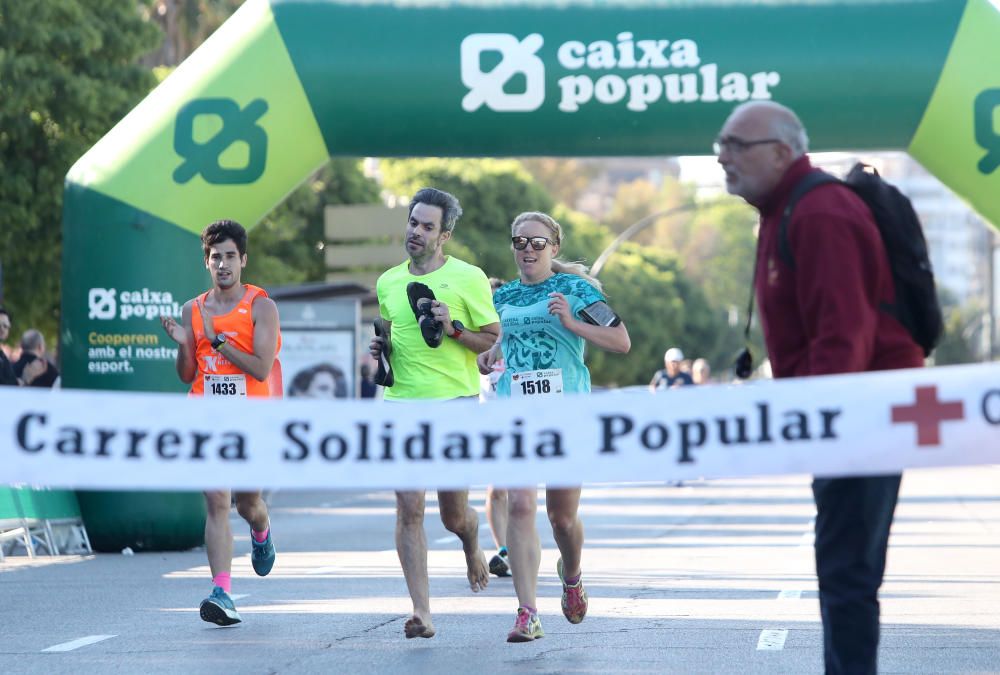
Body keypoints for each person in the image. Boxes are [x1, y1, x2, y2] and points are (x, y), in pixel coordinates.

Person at [716, 100, 923, 674]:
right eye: (720, 145)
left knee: (848, 575)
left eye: (737, 145)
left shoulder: (820, 212)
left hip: (861, 419)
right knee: (843, 572)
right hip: (844, 419)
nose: (723, 157)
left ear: (783, 152)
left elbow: (844, 339)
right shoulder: (780, 210)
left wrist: (816, 428)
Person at [478, 211, 630, 642]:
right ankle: (527, 612)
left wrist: (571, 323)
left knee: (561, 518)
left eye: (538, 243)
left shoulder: (575, 290)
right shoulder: (502, 296)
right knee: (520, 504)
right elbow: (499, 341)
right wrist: (490, 353)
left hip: (566, 417)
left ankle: (573, 575)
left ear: (554, 248)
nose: (528, 249)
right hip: (517, 415)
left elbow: (622, 342)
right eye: (520, 242)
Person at [368, 187, 501, 639]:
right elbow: (391, 335)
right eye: (412, 222)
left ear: (444, 234)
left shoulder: (469, 277)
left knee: (452, 515)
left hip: (455, 407)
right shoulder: (388, 282)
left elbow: (493, 340)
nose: (416, 232)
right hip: (402, 406)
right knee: (408, 507)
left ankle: (470, 538)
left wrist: (454, 328)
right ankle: (422, 611)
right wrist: (380, 350)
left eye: (427, 226)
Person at [160, 219, 281, 627]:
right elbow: (187, 373)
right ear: (206, 263)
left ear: (243, 260)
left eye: (230, 256)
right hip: (206, 419)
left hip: (252, 421)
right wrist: (185, 346)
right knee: (217, 501)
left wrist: (218, 341)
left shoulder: (261, 306)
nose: (223, 264)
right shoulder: (191, 310)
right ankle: (222, 592)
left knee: (248, 505)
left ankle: (262, 530)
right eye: (216, 258)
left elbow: (262, 369)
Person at [482, 277, 511, 578]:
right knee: (496, 489)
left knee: (518, 491)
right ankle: (504, 550)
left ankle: (517, 547)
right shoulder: (476, 336)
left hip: (517, 419)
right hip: (487, 420)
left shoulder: (515, 332)